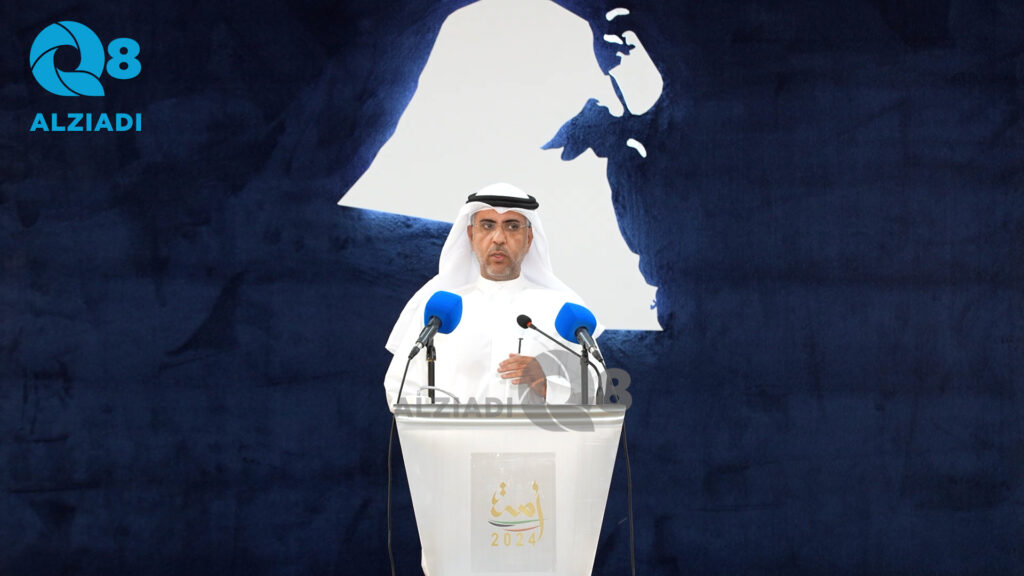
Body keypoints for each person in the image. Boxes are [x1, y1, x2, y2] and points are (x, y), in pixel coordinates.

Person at [382, 182, 602, 408]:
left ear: (529, 238)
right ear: (471, 235)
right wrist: (442, 423)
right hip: (452, 432)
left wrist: (546, 384)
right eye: (487, 226)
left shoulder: (561, 310)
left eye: (512, 226)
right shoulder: (438, 312)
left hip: (537, 433)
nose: (498, 238)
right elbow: (400, 386)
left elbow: (594, 390)